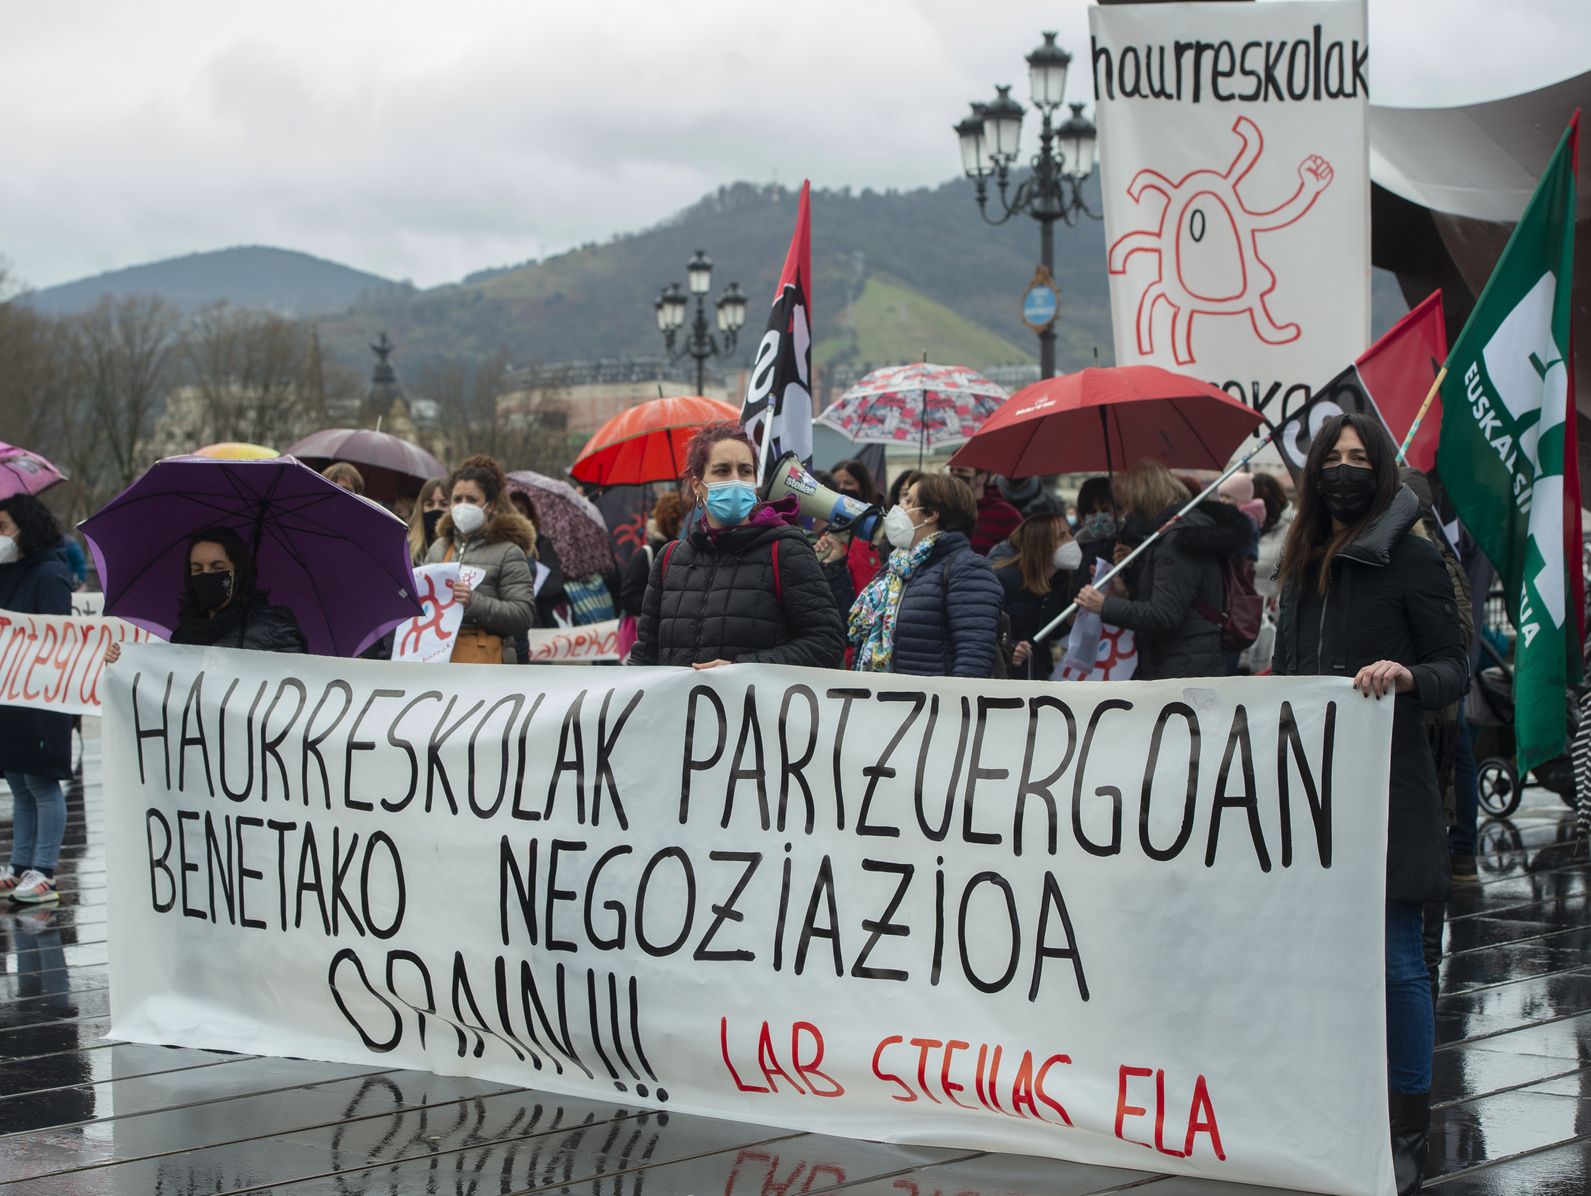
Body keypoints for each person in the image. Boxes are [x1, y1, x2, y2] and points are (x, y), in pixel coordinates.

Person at [1270, 413, 1468, 1194]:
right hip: (1310, 794)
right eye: (1332, 458)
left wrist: (1407, 676)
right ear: (1313, 471)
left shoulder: (1411, 561)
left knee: (1394, 961)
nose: (1344, 470)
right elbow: (1287, 675)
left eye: (1359, 458)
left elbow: (1454, 663)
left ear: (1379, 472)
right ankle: (1331, 1106)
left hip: (1389, 790)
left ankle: (1405, 1129)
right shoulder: (1299, 566)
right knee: (1318, 964)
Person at [630, 421, 844, 669]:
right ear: (698, 484)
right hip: (679, 709)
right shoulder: (670, 559)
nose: (735, 480)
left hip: (757, 707)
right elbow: (645, 655)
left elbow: (826, 643)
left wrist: (740, 668)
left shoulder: (786, 550)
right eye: (722, 470)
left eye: (745, 471)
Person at [1074, 460, 1251, 681]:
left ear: (1144, 501)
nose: (1128, 515)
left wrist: (1104, 605)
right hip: (1187, 660)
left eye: (1129, 506)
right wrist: (1128, 592)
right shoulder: (1182, 531)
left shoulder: (1176, 541)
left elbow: (1165, 615)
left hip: (1182, 666)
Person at [849, 473, 1005, 677]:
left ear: (931, 514)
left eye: (908, 501)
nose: (899, 508)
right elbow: (855, 627)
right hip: (884, 703)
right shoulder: (895, 567)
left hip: (932, 706)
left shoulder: (968, 569)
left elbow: (973, 656)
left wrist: (953, 706)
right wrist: (835, 568)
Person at [0, 495, 74, 904]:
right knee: (19, 782)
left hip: (40, 695)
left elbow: (56, 638)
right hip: (9, 694)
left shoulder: (49, 574)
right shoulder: (7, 573)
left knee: (42, 783)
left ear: (26, 528)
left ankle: (45, 871)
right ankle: (19, 865)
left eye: (4, 526)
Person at [423, 455, 537, 664]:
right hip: (437, 660)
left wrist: (474, 602)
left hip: (484, 666)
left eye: (472, 500)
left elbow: (523, 615)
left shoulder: (508, 552)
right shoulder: (439, 549)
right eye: (457, 500)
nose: (463, 506)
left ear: (490, 505)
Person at [991, 513, 1082, 678]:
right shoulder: (1004, 579)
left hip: (1036, 673)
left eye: (1070, 533)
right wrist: (1010, 647)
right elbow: (983, 627)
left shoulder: (1060, 582)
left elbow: (1046, 631)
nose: (1071, 540)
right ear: (1042, 545)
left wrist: (1069, 622)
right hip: (1006, 678)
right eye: (1062, 536)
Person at [620, 492, 685, 618]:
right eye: (683, 519)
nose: (686, 524)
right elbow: (628, 599)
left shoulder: (691, 551)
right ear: (671, 521)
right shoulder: (646, 554)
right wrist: (664, 604)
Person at [947, 465, 1023, 556]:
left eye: (961, 470)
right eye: (951, 470)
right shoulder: (945, 509)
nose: (954, 475)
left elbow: (1020, 554)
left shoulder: (1006, 514)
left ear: (982, 478)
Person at [406, 477, 449, 567]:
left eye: (444, 504)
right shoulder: (408, 546)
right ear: (421, 507)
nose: (436, 508)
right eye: (430, 504)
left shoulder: (458, 547)